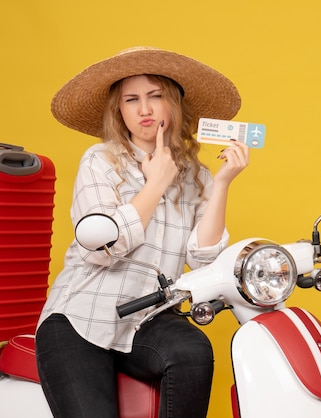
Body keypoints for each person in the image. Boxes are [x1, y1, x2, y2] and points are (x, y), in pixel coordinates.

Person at [35, 46, 249, 418]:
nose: (144, 110)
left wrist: (223, 182)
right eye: (131, 100)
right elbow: (101, 249)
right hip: (81, 320)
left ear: (174, 105)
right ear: (120, 110)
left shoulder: (195, 175)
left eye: (155, 97)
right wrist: (155, 184)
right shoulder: (99, 160)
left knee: (194, 352)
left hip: (147, 320)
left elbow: (203, 258)